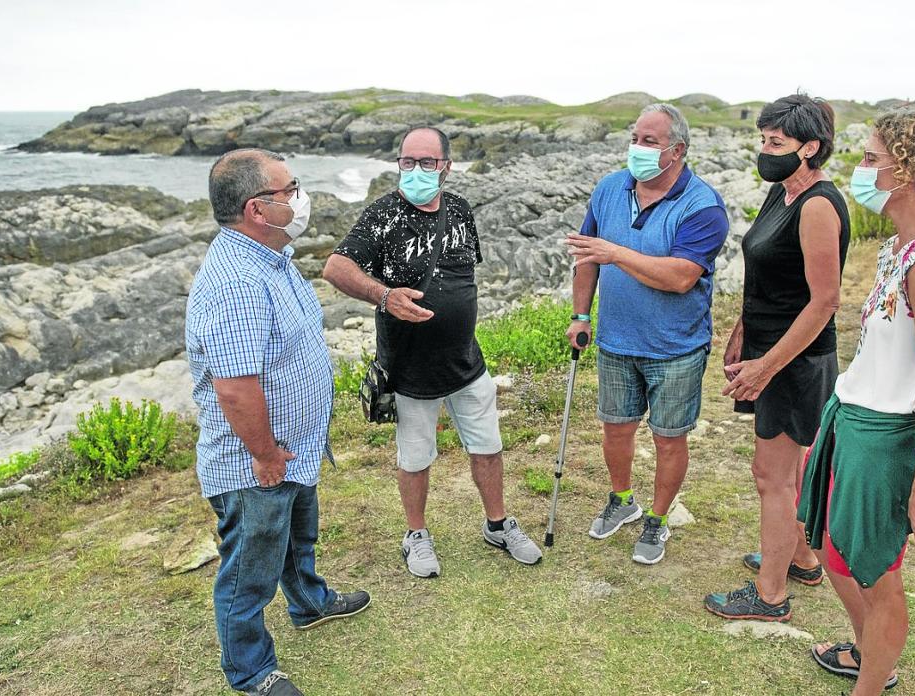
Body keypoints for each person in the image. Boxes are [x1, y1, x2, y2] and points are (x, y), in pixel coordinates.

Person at [799, 110, 915, 694]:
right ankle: (868, 649)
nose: (860, 168)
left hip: (886, 430)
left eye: (872, 157)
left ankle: (872, 682)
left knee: (876, 573)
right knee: (829, 543)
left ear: (910, 170)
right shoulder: (905, 245)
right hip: (852, 413)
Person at [187, 148, 371, 696]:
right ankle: (250, 671)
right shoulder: (237, 281)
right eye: (289, 189)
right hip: (257, 461)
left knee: (296, 538)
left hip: (294, 445)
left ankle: (309, 602)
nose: (300, 197)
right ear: (257, 209)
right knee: (249, 571)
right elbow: (235, 386)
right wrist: (265, 455)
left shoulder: (273, 256)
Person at [323, 126, 543, 579]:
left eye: (427, 162)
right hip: (409, 369)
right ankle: (416, 535)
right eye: (408, 162)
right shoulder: (382, 215)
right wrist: (383, 296)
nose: (416, 170)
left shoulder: (460, 210)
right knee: (416, 456)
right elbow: (335, 266)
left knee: (488, 447)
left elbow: (463, 278)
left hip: (466, 362)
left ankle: (498, 525)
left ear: (446, 165)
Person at [703, 95, 850, 622]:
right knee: (786, 471)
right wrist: (743, 332)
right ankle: (803, 558)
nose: (764, 151)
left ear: (810, 148)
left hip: (796, 361)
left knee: (773, 476)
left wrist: (768, 366)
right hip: (771, 348)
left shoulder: (816, 206)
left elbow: (824, 301)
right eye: (762, 139)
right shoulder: (781, 193)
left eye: (776, 143)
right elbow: (767, 275)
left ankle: (769, 595)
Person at [566, 103, 729, 565]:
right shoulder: (609, 188)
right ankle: (622, 499)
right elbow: (587, 255)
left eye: (648, 141)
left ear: (676, 151)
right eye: (635, 137)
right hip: (616, 340)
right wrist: (581, 315)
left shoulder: (702, 206)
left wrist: (616, 252)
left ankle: (657, 519)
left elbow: (679, 277)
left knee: (668, 436)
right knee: (616, 429)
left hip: (676, 347)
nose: (636, 148)